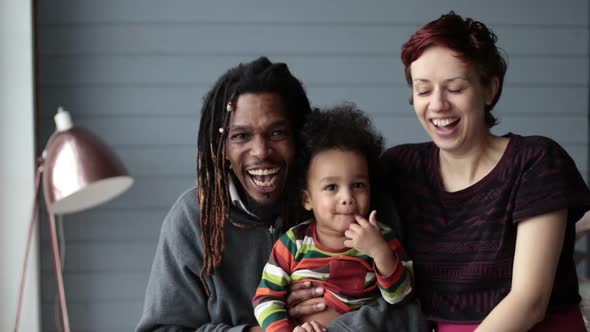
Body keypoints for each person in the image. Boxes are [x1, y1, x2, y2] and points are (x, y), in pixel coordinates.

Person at [136, 57, 428, 331]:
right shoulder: (194, 218)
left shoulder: (359, 202)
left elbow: (412, 312)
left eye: (277, 133)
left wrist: (334, 325)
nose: (261, 151)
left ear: (299, 137)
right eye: (240, 136)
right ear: (221, 147)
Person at [380, 11, 590, 332]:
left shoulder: (535, 161)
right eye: (423, 90)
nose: (437, 105)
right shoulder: (400, 168)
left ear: (490, 89)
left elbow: (529, 301)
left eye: (455, 88)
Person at [253, 105, 413, 332]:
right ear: (307, 199)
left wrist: (380, 252)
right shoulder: (292, 244)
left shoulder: (381, 237)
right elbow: (265, 300)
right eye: (331, 187)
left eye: (358, 185)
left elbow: (402, 297)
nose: (347, 197)